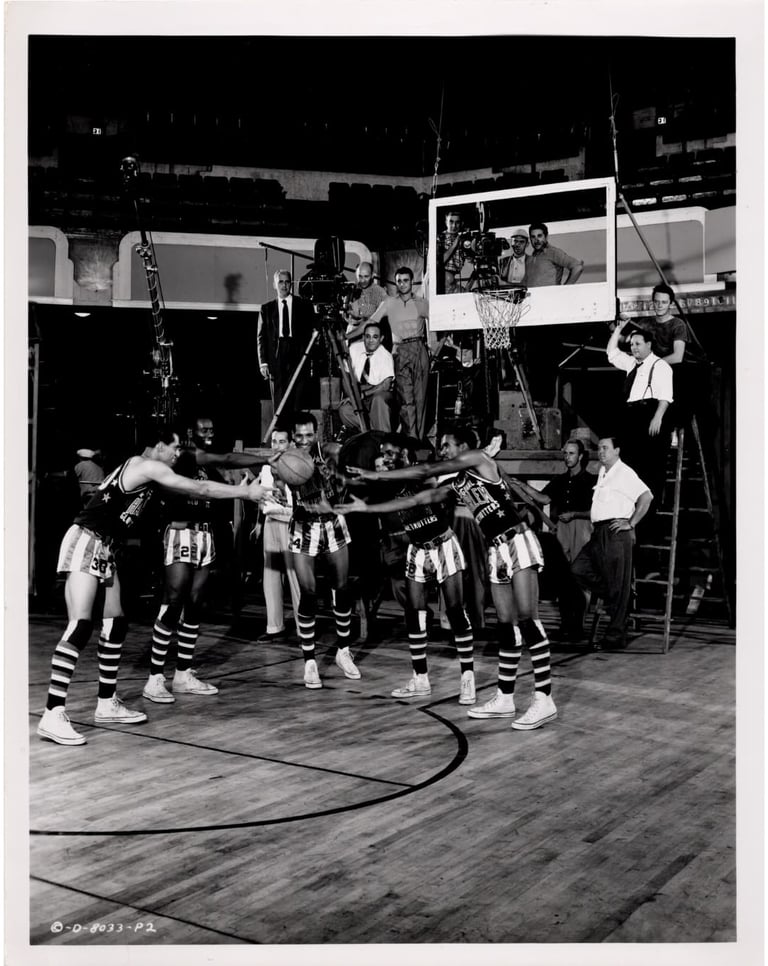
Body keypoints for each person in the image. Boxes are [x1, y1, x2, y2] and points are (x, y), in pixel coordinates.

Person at [37, 424, 271, 745]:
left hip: (105, 546)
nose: (178, 454)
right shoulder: (147, 466)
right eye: (174, 448)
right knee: (80, 627)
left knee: (116, 623)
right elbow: (199, 489)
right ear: (158, 446)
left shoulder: (147, 472)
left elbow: (197, 484)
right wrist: (244, 493)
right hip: (86, 539)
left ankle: (106, 703)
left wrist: (236, 478)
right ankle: (52, 713)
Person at [347, 426, 557, 731]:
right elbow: (421, 498)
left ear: (463, 446)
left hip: (518, 541)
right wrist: (367, 502)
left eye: (446, 445)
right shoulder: (458, 483)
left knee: (528, 620)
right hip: (496, 549)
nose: (441, 450)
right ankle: (505, 697)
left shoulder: (479, 458)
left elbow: (432, 468)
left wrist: (377, 476)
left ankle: (544, 698)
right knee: (507, 626)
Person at [142, 417, 276, 705]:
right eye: (203, 430)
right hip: (180, 531)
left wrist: (266, 460)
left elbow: (227, 460)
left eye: (212, 429)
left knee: (195, 604)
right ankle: (154, 678)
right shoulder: (180, 458)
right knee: (173, 600)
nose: (209, 434)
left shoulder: (204, 463)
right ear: (191, 434)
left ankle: (182, 674)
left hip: (204, 535)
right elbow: (220, 465)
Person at [338, 440, 476, 705]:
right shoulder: (386, 483)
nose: (386, 457)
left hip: (443, 545)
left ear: (405, 455)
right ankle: (420, 677)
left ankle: (467, 676)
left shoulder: (422, 474)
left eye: (391, 452)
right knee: (414, 612)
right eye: (383, 453)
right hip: (418, 549)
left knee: (456, 611)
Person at [289, 411, 360, 689]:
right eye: (299, 436)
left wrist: (337, 471)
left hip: (332, 524)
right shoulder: (287, 459)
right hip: (303, 527)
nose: (304, 440)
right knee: (307, 593)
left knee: (341, 589)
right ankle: (309, 661)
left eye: (309, 435)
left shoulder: (328, 450)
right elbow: (282, 480)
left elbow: (346, 453)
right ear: (293, 436)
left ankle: (343, 651)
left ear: (316, 434)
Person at [508, 440, 596, 641]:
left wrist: (575, 514)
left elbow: (596, 510)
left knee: (579, 576)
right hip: (562, 528)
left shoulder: (591, 481)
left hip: (581, 527)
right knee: (563, 576)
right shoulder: (561, 480)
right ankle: (567, 625)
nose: (567, 457)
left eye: (571, 453)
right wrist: (521, 485)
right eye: (565, 453)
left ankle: (577, 626)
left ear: (581, 456)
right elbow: (544, 498)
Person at [571, 437, 653, 650]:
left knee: (618, 584)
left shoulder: (624, 473)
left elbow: (647, 497)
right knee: (578, 569)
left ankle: (615, 636)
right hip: (598, 533)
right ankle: (622, 594)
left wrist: (631, 522)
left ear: (617, 450)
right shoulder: (603, 472)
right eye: (599, 448)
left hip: (616, 533)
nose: (601, 452)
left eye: (605, 448)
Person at [607, 318, 674, 510]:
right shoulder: (631, 364)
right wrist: (618, 329)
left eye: (637, 344)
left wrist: (657, 418)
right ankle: (630, 513)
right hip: (631, 417)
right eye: (631, 345)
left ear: (649, 345)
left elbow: (665, 396)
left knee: (649, 471)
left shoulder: (660, 365)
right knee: (629, 468)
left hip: (649, 415)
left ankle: (649, 515)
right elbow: (612, 354)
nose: (634, 348)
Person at [362, 266, 431, 439]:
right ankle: (411, 441)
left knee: (421, 400)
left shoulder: (422, 303)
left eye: (406, 280)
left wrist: (436, 348)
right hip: (400, 350)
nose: (402, 284)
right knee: (406, 401)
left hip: (419, 348)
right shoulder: (389, 303)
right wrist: (350, 333)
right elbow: (371, 321)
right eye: (399, 281)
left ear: (412, 282)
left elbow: (440, 322)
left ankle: (420, 442)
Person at [254, 427, 302, 643]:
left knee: (295, 575)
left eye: (281, 441)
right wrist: (257, 522)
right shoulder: (266, 467)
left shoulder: (297, 465)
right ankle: (274, 627)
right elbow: (261, 495)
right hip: (271, 521)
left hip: (291, 521)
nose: (276, 445)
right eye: (274, 441)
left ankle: (304, 628)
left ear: (290, 443)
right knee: (270, 574)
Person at [257, 269, 317, 414]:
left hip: (298, 353)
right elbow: (261, 337)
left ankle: (295, 433)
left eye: (287, 282)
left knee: (297, 401)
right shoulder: (266, 309)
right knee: (279, 403)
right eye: (280, 282)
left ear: (291, 284)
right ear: (274, 284)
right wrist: (263, 363)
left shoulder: (304, 305)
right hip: (276, 355)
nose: (284, 285)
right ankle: (280, 433)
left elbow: (313, 332)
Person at [339, 321, 395, 433]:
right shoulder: (353, 349)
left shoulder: (386, 356)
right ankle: (369, 431)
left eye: (375, 337)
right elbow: (345, 376)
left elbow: (385, 385)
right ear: (363, 337)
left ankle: (382, 437)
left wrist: (363, 395)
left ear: (381, 338)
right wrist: (351, 396)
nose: (370, 341)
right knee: (344, 410)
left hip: (377, 393)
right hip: (359, 391)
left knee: (378, 400)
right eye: (367, 336)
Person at [525, 223, 584, 287]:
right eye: (533, 237)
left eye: (539, 236)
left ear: (546, 237)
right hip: (533, 296)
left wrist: (565, 288)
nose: (536, 240)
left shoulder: (553, 252)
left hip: (550, 296)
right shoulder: (531, 258)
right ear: (530, 239)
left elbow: (577, 267)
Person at [344, 261, 388, 345]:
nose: (363, 280)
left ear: (372, 275)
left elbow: (374, 321)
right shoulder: (349, 290)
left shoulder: (380, 292)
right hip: (352, 336)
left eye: (366, 276)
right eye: (360, 276)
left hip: (370, 336)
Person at [437, 210, 466, 294]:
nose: (454, 226)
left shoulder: (462, 240)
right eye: (451, 222)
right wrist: (454, 245)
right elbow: (439, 262)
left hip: (452, 285)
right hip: (441, 287)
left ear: (461, 224)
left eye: (457, 222)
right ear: (446, 222)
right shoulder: (439, 239)